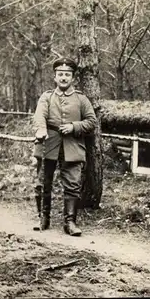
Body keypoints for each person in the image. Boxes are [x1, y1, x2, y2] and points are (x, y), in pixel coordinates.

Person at [33, 57, 97, 236]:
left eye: (67, 75)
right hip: (48, 143)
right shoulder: (47, 97)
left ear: (73, 78)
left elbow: (92, 121)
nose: (63, 78)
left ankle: (70, 222)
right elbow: (39, 116)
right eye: (60, 74)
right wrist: (41, 130)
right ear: (54, 77)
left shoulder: (81, 99)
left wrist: (74, 126)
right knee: (42, 183)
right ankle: (43, 218)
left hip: (73, 145)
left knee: (73, 185)